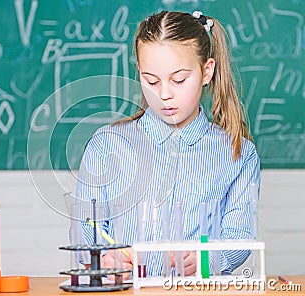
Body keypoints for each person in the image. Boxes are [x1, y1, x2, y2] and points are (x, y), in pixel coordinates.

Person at [74, 10, 260, 278]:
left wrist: (209, 259)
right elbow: (85, 225)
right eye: (151, 80)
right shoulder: (106, 145)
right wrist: (103, 256)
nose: (163, 94)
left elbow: (239, 235)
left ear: (207, 71)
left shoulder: (238, 153)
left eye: (179, 80)